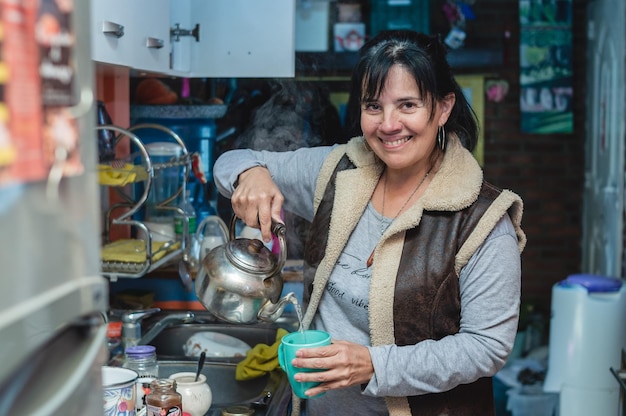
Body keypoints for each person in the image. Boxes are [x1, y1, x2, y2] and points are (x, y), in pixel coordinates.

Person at [213, 30, 526, 416]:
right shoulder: (337, 171)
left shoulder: (482, 221)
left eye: (407, 105)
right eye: (373, 106)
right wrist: (252, 174)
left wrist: (373, 365)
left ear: (443, 108)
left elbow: (486, 348)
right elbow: (230, 161)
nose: (388, 125)